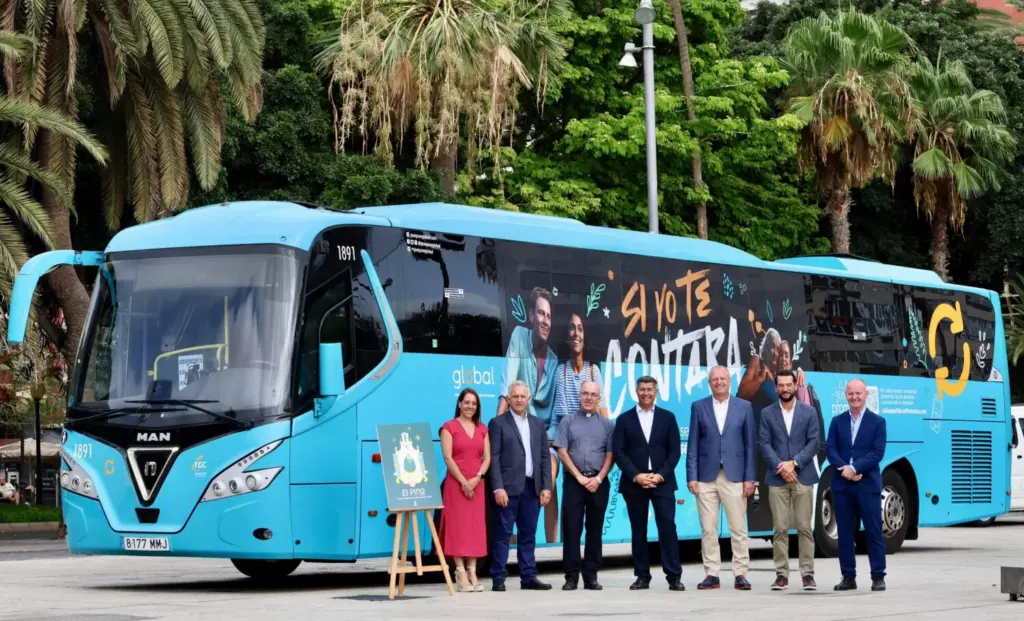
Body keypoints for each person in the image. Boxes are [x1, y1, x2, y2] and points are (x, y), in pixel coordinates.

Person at [686, 365, 756, 590]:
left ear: (729, 381)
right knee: (708, 528)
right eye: (714, 379)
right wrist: (691, 476)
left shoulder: (744, 407)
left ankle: (741, 573)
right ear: (709, 383)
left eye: (722, 378)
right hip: (706, 477)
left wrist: (750, 478)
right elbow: (693, 445)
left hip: (735, 476)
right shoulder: (699, 407)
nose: (718, 382)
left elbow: (750, 446)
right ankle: (712, 573)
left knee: (738, 528)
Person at [611, 375, 684, 591]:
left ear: (656, 391)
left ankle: (674, 577)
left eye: (650, 389)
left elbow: (674, 452)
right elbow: (620, 452)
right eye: (642, 389)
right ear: (636, 391)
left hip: (663, 482)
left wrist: (660, 475)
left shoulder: (668, 417)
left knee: (668, 528)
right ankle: (642, 576)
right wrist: (637, 476)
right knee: (638, 530)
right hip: (635, 484)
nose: (646, 393)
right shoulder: (624, 419)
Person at [497, 287, 558, 544]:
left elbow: (555, 415)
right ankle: (510, 529)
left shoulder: (554, 360)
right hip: (516, 429)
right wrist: (497, 429)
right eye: (541, 314)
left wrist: (546, 441)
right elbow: (507, 385)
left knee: (549, 474)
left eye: (549, 316)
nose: (545, 320)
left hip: (544, 439)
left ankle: (548, 542)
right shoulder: (520, 336)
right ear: (531, 315)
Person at [548, 313, 610, 544]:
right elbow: (564, 418)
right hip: (569, 438)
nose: (576, 333)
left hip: (592, 438)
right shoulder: (561, 372)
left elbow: (603, 411)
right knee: (551, 476)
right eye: (571, 328)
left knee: (594, 524)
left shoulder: (594, 371)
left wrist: (610, 442)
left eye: (580, 329)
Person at [757, 369, 820, 591]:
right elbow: (764, 444)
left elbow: (814, 442)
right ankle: (781, 575)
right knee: (780, 528)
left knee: (804, 527)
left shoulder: (809, 412)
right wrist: (781, 466)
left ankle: (808, 575)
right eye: (780, 385)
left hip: (803, 476)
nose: (784, 388)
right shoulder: (767, 413)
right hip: (776, 478)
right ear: (776, 388)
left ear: (795, 386)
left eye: (788, 385)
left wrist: (794, 463)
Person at [488, 380, 553, 591]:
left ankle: (528, 577)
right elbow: (494, 459)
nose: (518, 399)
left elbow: (544, 458)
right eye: (514, 396)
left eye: (522, 396)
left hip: (532, 488)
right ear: (508, 399)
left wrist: (546, 487)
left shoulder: (537, 424)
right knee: (503, 534)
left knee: (528, 535)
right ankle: (498, 577)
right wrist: (498, 487)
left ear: (528, 399)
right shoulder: (497, 423)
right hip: (507, 489)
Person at [826, 378, 887, 592]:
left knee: (873, 532)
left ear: (866, 395)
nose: (854, 397)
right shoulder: (837, 421)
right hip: (843, 485)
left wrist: (856, 468)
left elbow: (877, 453)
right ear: (846, 395)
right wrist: (846, 469)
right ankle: (848, 576)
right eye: (851, 394)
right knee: (845, 533)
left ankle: (878, 576)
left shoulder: (878, 422)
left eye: (858, 393)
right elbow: (830, 450)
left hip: (867, 486)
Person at [553, 380, 614, 591]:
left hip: (598, 483)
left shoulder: (608, 425)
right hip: (574, 483)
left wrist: (598, 479)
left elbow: (610, 455)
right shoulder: (567, 422)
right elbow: (562, 452)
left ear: (598, 398)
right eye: (585, 394)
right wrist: (579, 477)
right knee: (571, 529)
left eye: (593, 395)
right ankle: (571, 577)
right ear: (580, 396)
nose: (589, 398)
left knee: (595, 530)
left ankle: (591, 576)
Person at [439, 388, 491, 592]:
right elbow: (448, 458)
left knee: (474, 527)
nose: (470, 406)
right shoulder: (449, 428)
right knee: (458, 527)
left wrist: (477, 479)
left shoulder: (482, 429)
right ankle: (460, 572)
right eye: (466, 402)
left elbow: (486, 459)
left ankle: (472, 570)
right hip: (456, 484)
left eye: (474, 403)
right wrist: (464, 482)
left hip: (477, 484)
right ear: (459, 404)